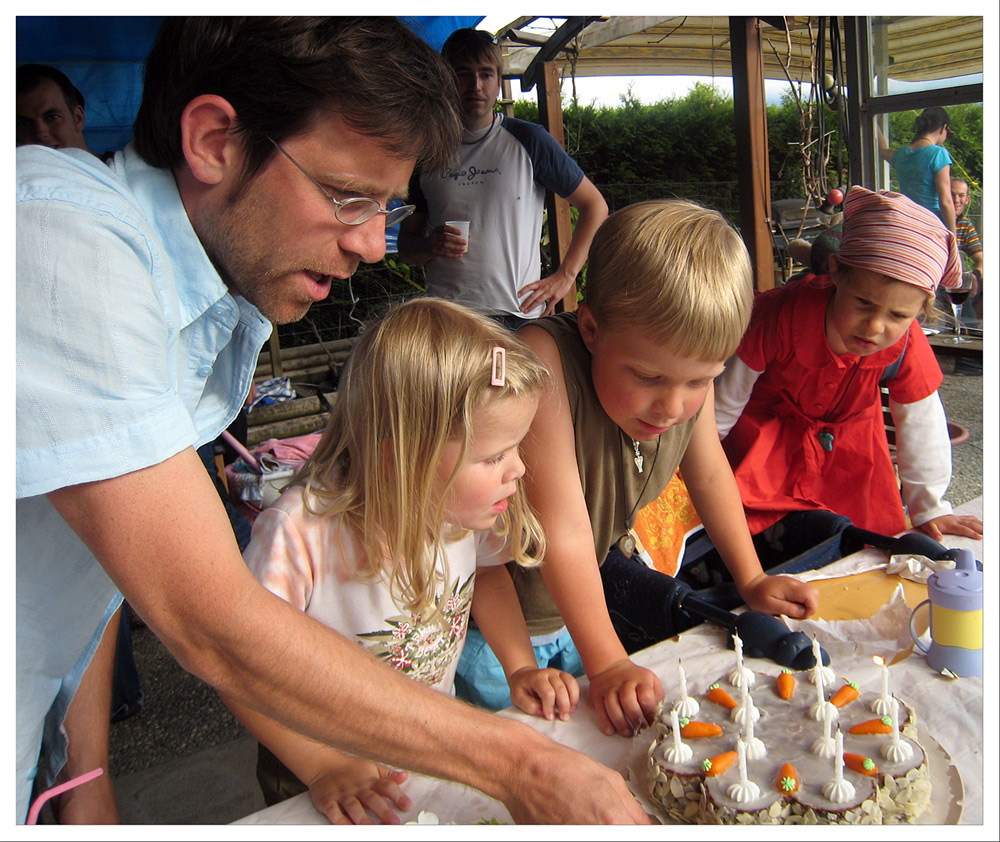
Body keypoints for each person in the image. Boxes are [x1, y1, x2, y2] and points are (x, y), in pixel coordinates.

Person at [16, 17, 649, 825]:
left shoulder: (191, 295)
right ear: (214, 138)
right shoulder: (61, 234)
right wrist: (520, 762)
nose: (373, 244)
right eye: (349, 196)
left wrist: (85, 768)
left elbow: (97, 559)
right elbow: (207, 619)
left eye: (386, 206)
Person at [458, 200, 820, 731]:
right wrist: (608, 661)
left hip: (578, 619)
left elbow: (710, 472)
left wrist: (752, 578)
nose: (673, 408)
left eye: (699, 381)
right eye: (648, 378)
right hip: (495, 634)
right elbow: (561, 526)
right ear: (590, 329)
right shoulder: (542, 362)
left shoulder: (681, 363)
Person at [227, 298, 580, 824]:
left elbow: (486, 576)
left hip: (422, 757)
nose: (520, 469)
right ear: (404, 455)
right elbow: (239, 669)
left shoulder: (457, 509)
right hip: (318, 776)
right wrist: (323, 767)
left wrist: (520, 665)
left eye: (515, 448)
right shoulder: (300, 535)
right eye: (493, 456)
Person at [714, 187, 984, 548]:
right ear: (837, 271)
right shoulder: (777, 316)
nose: (874, 327)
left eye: (898, 315)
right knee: (757, 539)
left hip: (850, 455)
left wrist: (929, 508)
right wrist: (692, 474)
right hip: (765, 445)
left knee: (862, 546)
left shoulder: (908, 341)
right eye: (863, 303)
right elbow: (725, 401)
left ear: (921, 309)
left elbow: (922, 422)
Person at [397, 27, 608, 330]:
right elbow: (406, 247)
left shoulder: (529, 139)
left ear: (498, 82)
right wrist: (430, 246)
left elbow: (594, 206)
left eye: (486, 74)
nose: (476, 86)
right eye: (463, 74)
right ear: (446, 80)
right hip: (447, 317)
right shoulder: (427, 152)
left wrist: (566, 276)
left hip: (517, 315)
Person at [877, 106, 956, 234]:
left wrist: (874, 123)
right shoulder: (938, 154)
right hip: (933, 224)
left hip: (908, 222)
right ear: (943, 128)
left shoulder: (901, 154)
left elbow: (882, 150)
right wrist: (953, 238)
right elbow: (945, 201)